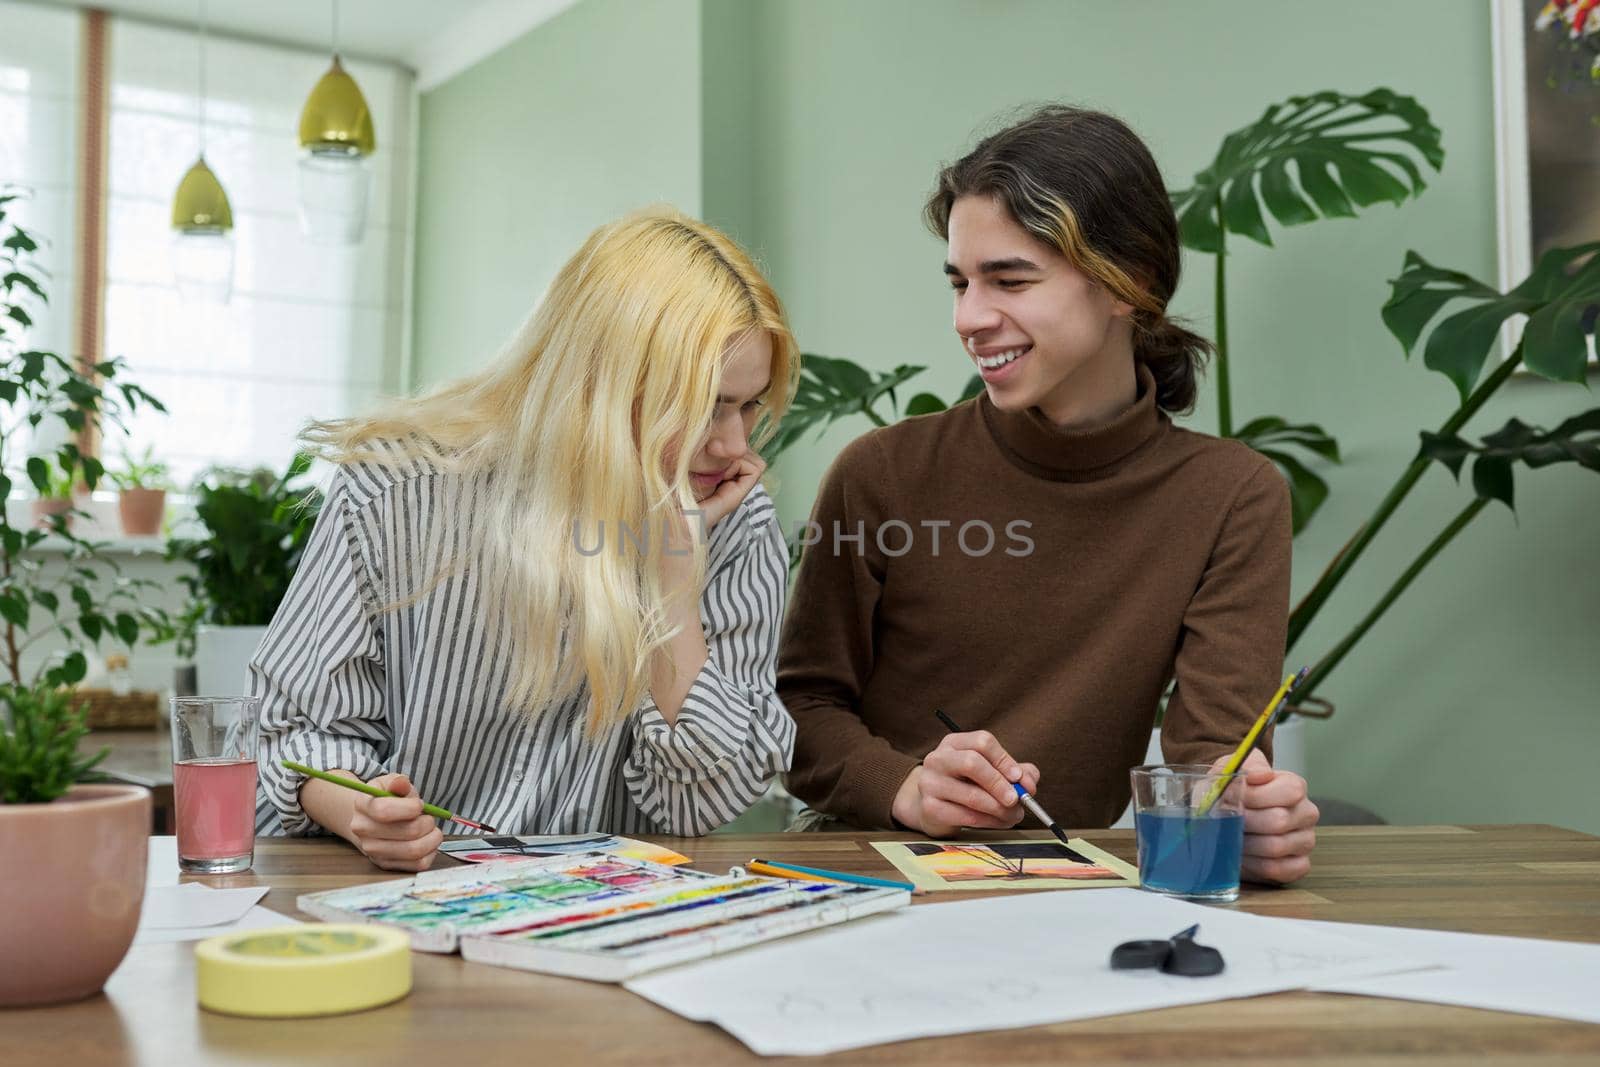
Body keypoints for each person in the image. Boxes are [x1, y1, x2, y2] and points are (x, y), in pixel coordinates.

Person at [778, 106, 1319, 884]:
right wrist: (905, 787)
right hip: (868, 881)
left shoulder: (1234, 496)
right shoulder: (881, 475)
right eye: (961, 282)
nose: (969, 317)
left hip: (1073, 899)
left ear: (1125, 283)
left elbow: (1212, 763)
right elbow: (797, 708)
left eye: (1010, 279)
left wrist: (1251, 816)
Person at [252, 208, 800, 872]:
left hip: (605, 915)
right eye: (707, 404)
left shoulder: (735, 523)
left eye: (747, 405)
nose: (736, 444)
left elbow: (700, 800)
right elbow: (291, 730)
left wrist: (673, 595)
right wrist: (363, 811)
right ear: (603, 384)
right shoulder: (401, 491)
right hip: (391, 895)